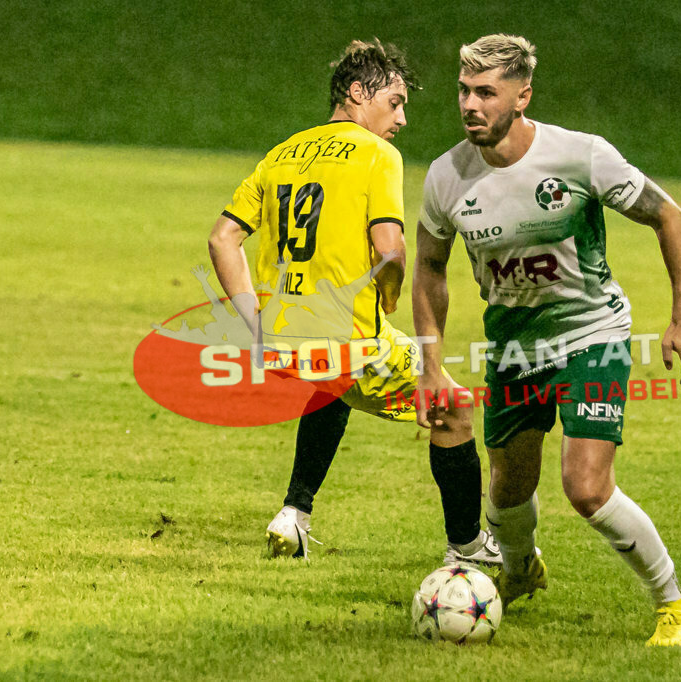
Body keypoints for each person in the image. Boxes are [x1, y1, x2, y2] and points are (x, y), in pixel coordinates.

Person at [412, 34, 681, 647]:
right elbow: (430, 269)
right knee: (508, 491)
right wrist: (431, 364)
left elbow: (668, 216)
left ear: (522, 96)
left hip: (591, 333)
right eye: (464, 90)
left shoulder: (580, 157)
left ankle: (674, 603)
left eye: (485, 92)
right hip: (515, 348)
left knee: (586, 486)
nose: (470, 104)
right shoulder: (446, 176)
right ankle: (521, 570)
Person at [207, 39, 500, 566]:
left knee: (332, 386)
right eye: (395, 102)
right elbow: (391, 250)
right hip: (348, 340)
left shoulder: (281, 153)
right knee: (453, 407)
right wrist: (386, 297)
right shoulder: (376, 155)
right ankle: (471, 549)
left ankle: (294, 514)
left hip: (281, 341)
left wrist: (253, 321)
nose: (403, 118)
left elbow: (222, 238)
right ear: (358, 93)